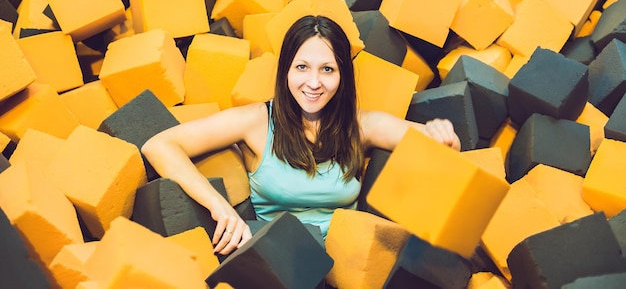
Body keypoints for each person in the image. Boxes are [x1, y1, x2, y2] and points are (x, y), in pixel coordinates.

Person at [141, 14, 460, 255]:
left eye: (327, 69)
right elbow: (160, 145)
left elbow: (435, 145)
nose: (314, 82)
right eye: (302, 67)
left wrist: (443, 136)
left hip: (345, 267)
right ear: (286, 71)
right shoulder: (255, 122)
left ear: (342, 76)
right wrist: (219, 207)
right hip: (277, 267)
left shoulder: (361, 126)